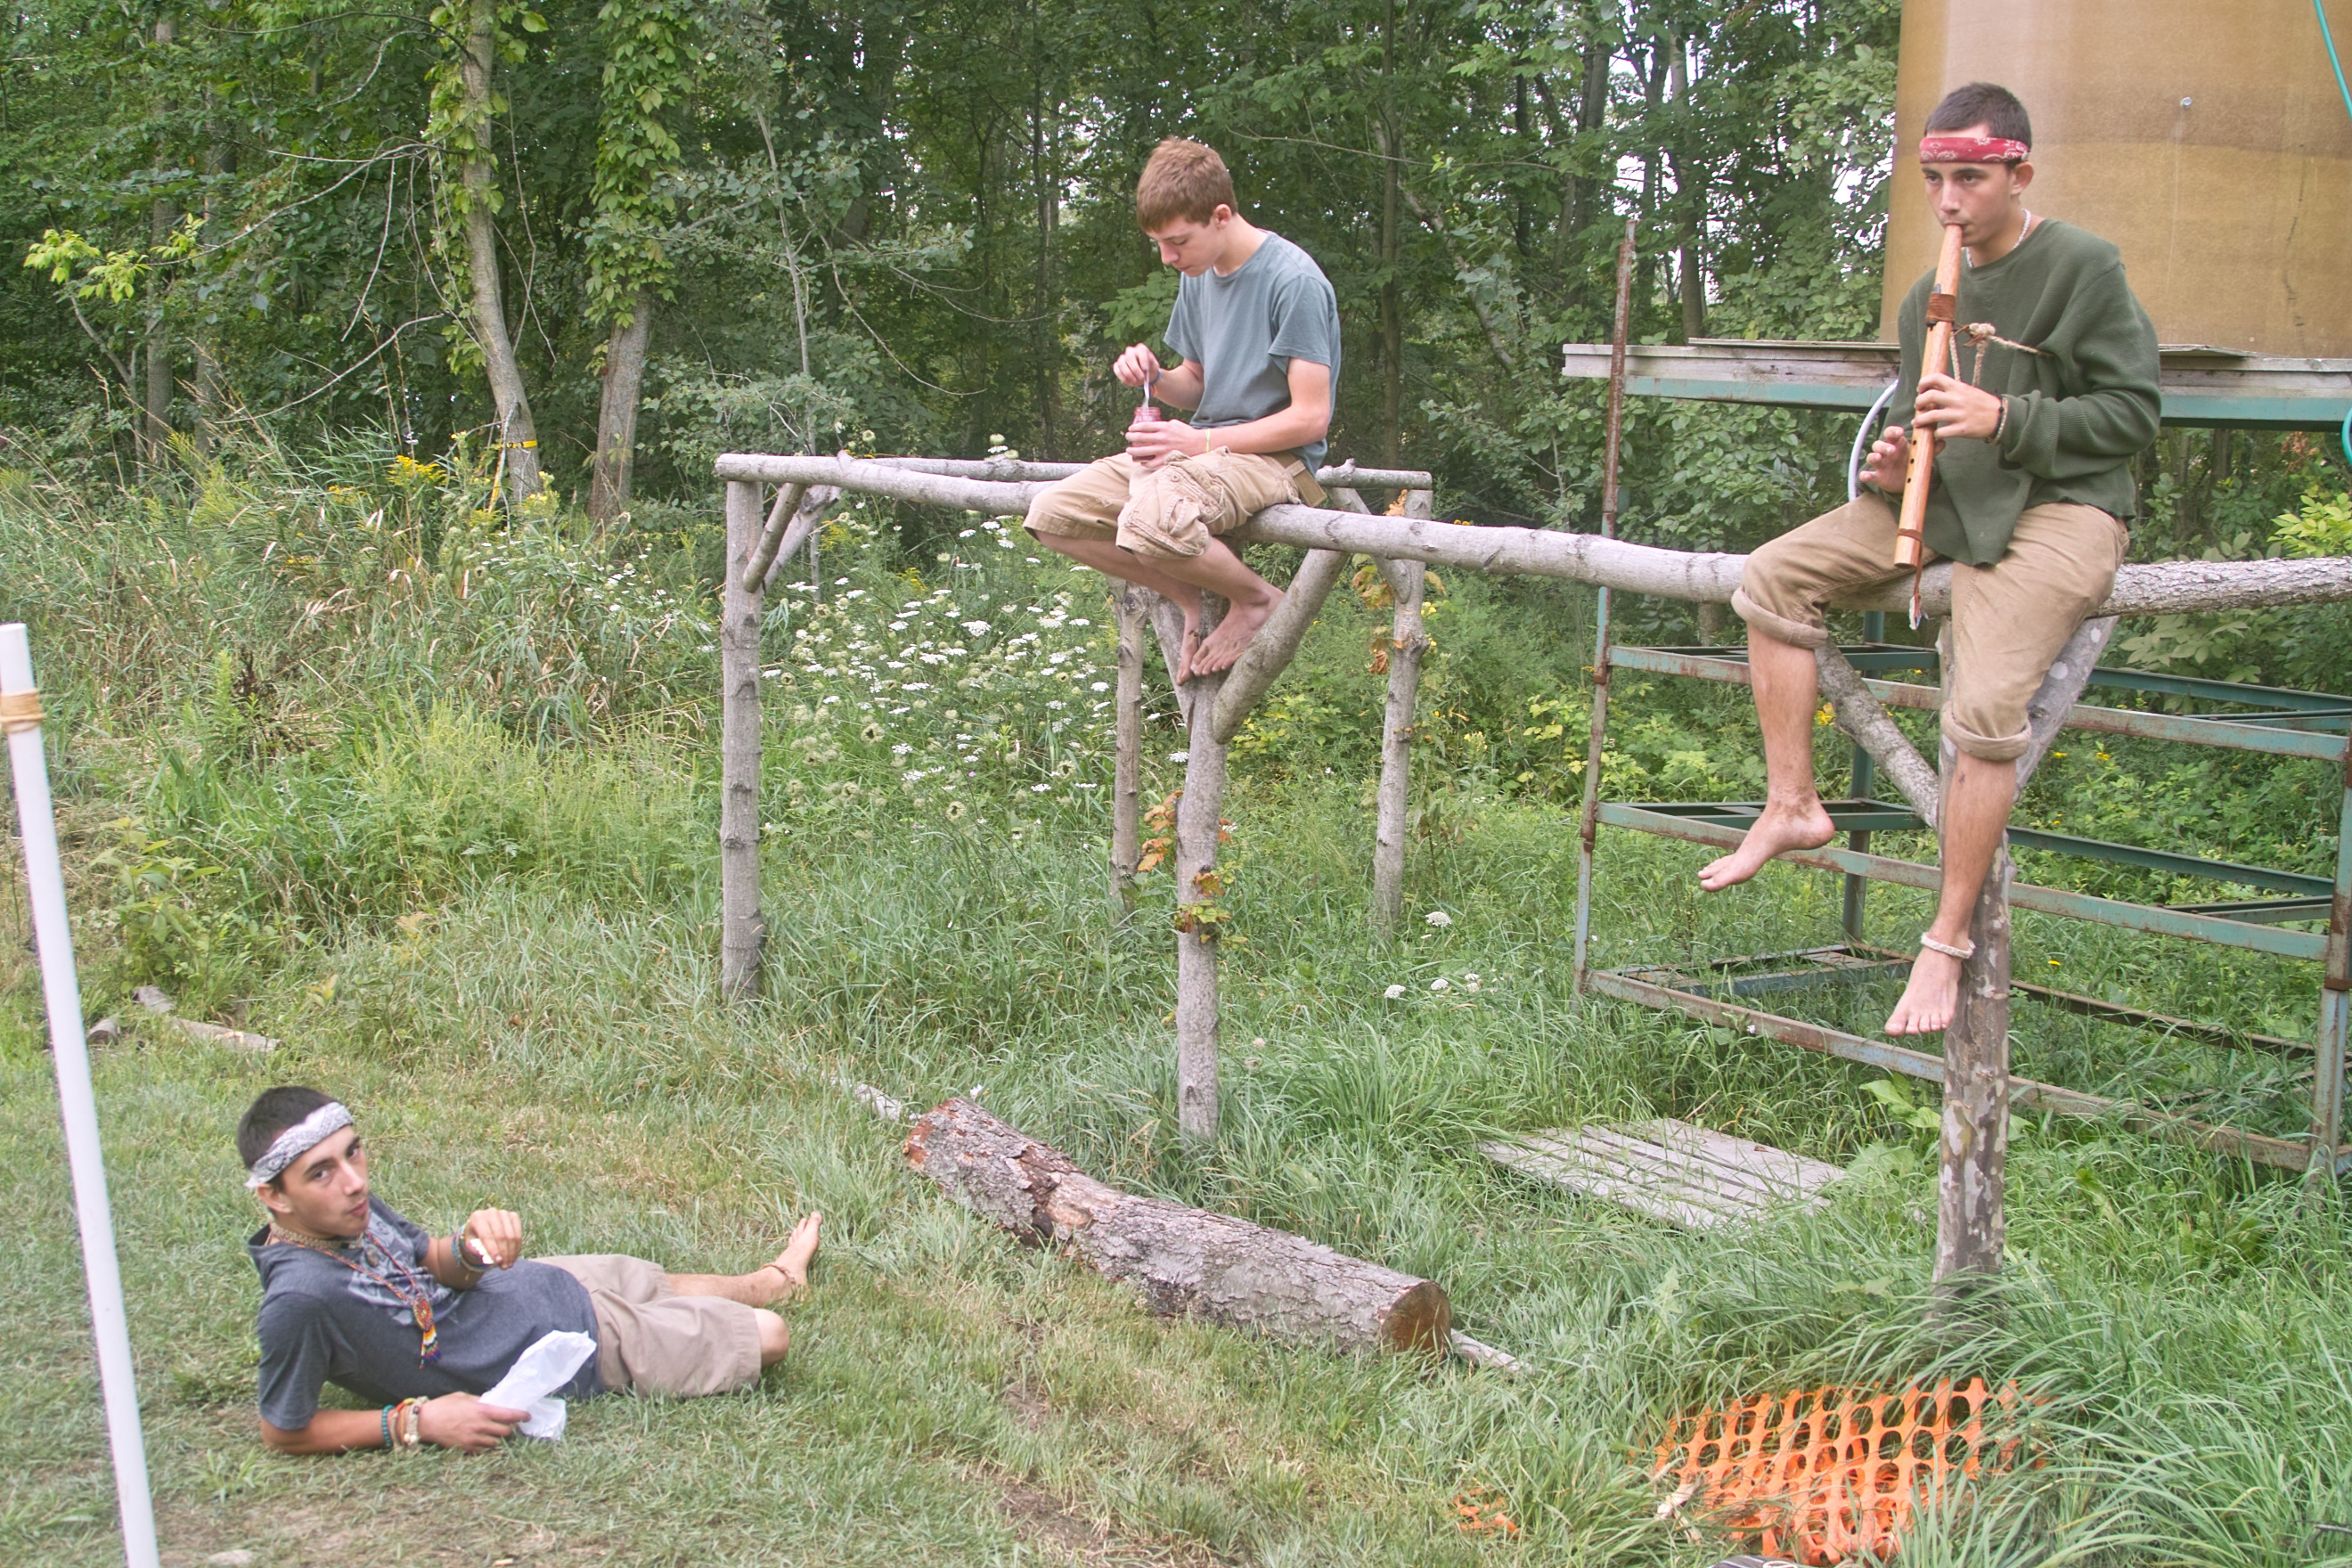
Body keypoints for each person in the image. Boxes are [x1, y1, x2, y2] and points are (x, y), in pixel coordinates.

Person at [1700, 80, 2160, 1037]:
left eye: (1971, 180)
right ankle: (1792, 804)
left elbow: (2133, 417)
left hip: (2065, 507)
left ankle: (1944, 941)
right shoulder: (1926, 298)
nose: (1950, 202)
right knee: (1774, 574)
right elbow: (1925, 430)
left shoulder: (2083, 266)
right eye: (1934, 181)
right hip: (1953, 498)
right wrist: (1898, 465)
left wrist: (2005, 416)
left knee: (1983, 708)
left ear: (2018, 173)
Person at [238, 1085, 822, 1454]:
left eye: (353, 1152)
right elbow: (283, 1430)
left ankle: (774, 1281)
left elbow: (432, 1260)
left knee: (657, 1283)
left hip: (542, 1283)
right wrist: (416, 1422)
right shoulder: (300, 1299)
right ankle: (767, 1296)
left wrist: (471, 1250)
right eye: (320, 1172)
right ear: (274, 1196)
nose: (353, 1181)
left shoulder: (348, 1210)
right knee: (770, 1336)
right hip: (572, 1344)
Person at [1025, 136, 1341, 683]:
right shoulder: (1200, 274)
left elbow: (1311, 418)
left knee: (1147, 520)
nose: (1169, 258)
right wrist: (1156, 376)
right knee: (1051, 514)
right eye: (1158, 245)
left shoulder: (1295, 282)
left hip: (1275, 461)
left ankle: (1258, 600)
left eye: (1177, 242)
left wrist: (1201, 442)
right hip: (1201, 455)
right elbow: (1197, 383)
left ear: (1221, 216)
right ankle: (1191, 593)